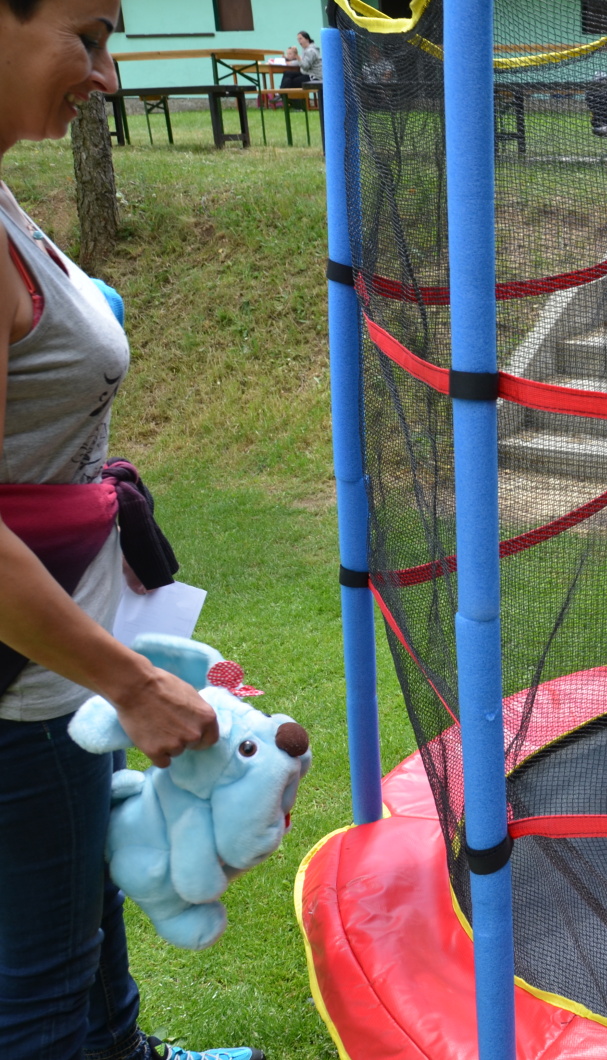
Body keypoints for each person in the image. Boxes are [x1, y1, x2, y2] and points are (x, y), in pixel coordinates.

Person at [0, 2, 259, 1058]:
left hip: (50, 672)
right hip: (23, 690)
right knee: (41, 992)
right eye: (89, 36)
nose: (106, 76)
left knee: (87, 911)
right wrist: (135, 686)